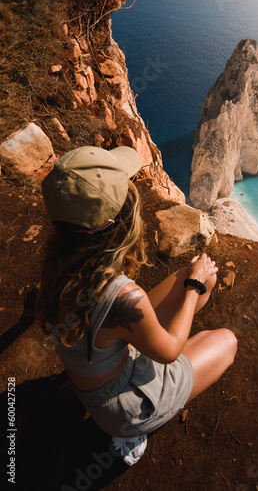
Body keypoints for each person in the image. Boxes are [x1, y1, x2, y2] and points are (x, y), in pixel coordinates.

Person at [36, 146, 237, 465]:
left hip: (91, 365)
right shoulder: (122, 296)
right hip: (119, 404)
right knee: (226, 340)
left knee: (198, 281)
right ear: (113, 219)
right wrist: (193, 287)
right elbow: (170, 351)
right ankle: (131, 432)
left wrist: (196, 282)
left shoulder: (57, 260)